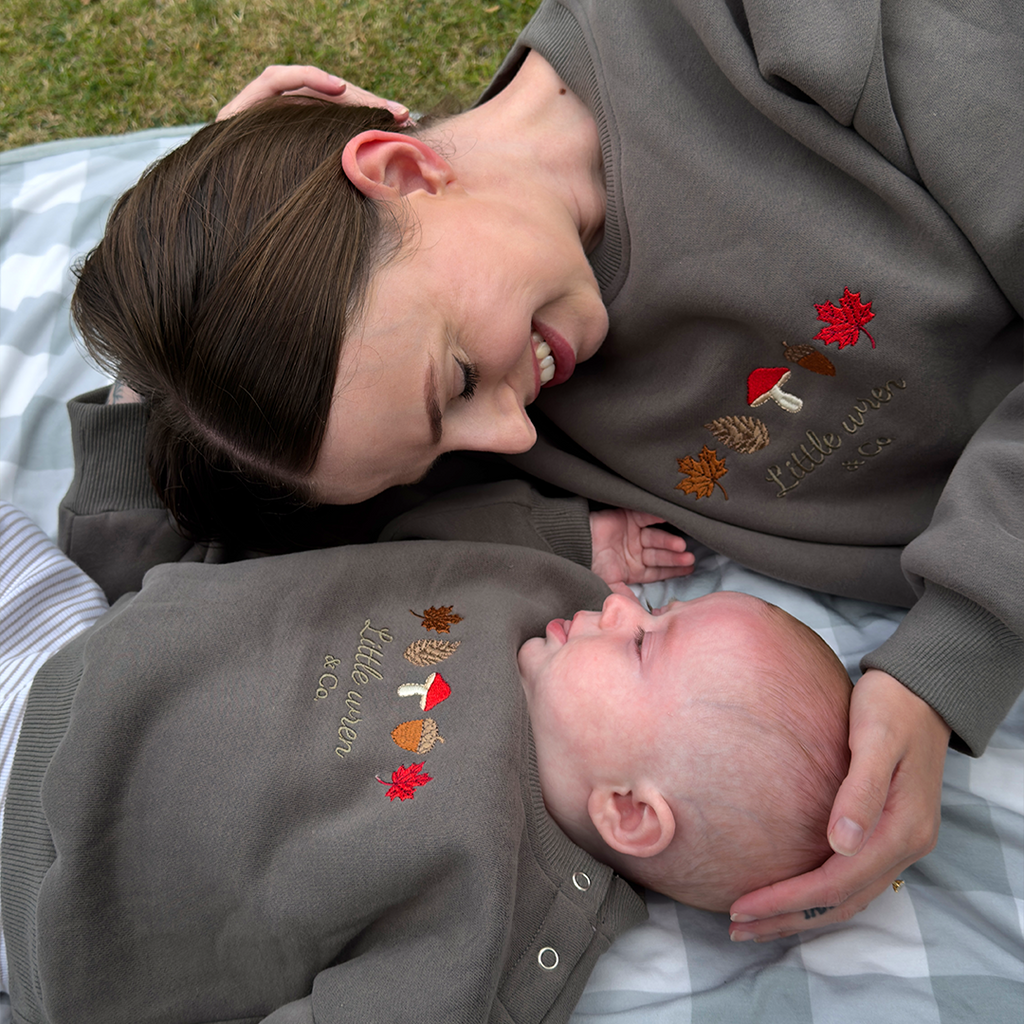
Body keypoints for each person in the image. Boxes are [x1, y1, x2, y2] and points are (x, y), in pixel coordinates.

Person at [62, 0, 1021, 943]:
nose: (516, 440)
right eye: (440, 447)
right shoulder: (414, 396)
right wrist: (191, 284)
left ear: (402, 169)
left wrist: (961, 648)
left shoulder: (761, 33)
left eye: (462, 382)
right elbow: (150, 570)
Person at [0, 495, 851, 1023]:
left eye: (644, 647)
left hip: (42, 871)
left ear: (628, 811)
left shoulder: (507, 924)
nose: (627, 608)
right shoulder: (549, 602)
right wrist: (570, 535)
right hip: (68, 636)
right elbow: (418, 530)